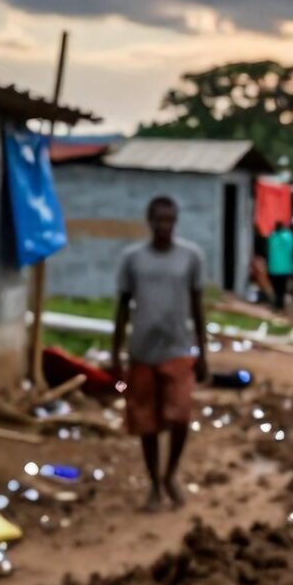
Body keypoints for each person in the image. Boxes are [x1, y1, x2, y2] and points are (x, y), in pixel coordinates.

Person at [110, 196, 209, 511]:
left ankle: (171, 475)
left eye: (169, 220)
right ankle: (154, 483)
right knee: (146, 423)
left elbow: (198, 306)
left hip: (178, 348)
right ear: (149, 221)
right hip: (142, 350)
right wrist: (116, 354)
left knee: (179, 416)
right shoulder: (133, 259)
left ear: (176, 222)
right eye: (158, 220)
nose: (164, 226)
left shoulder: (190, 257)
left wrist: (203, 351)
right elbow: (123, 307)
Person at [253, 216, 293, 311]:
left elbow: (267, 250)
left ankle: (278, 305)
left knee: (277, 289)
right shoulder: (288, 237)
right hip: (285, 268)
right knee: (281, 289)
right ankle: (280, 305)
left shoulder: (272, 237)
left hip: (275, 268)